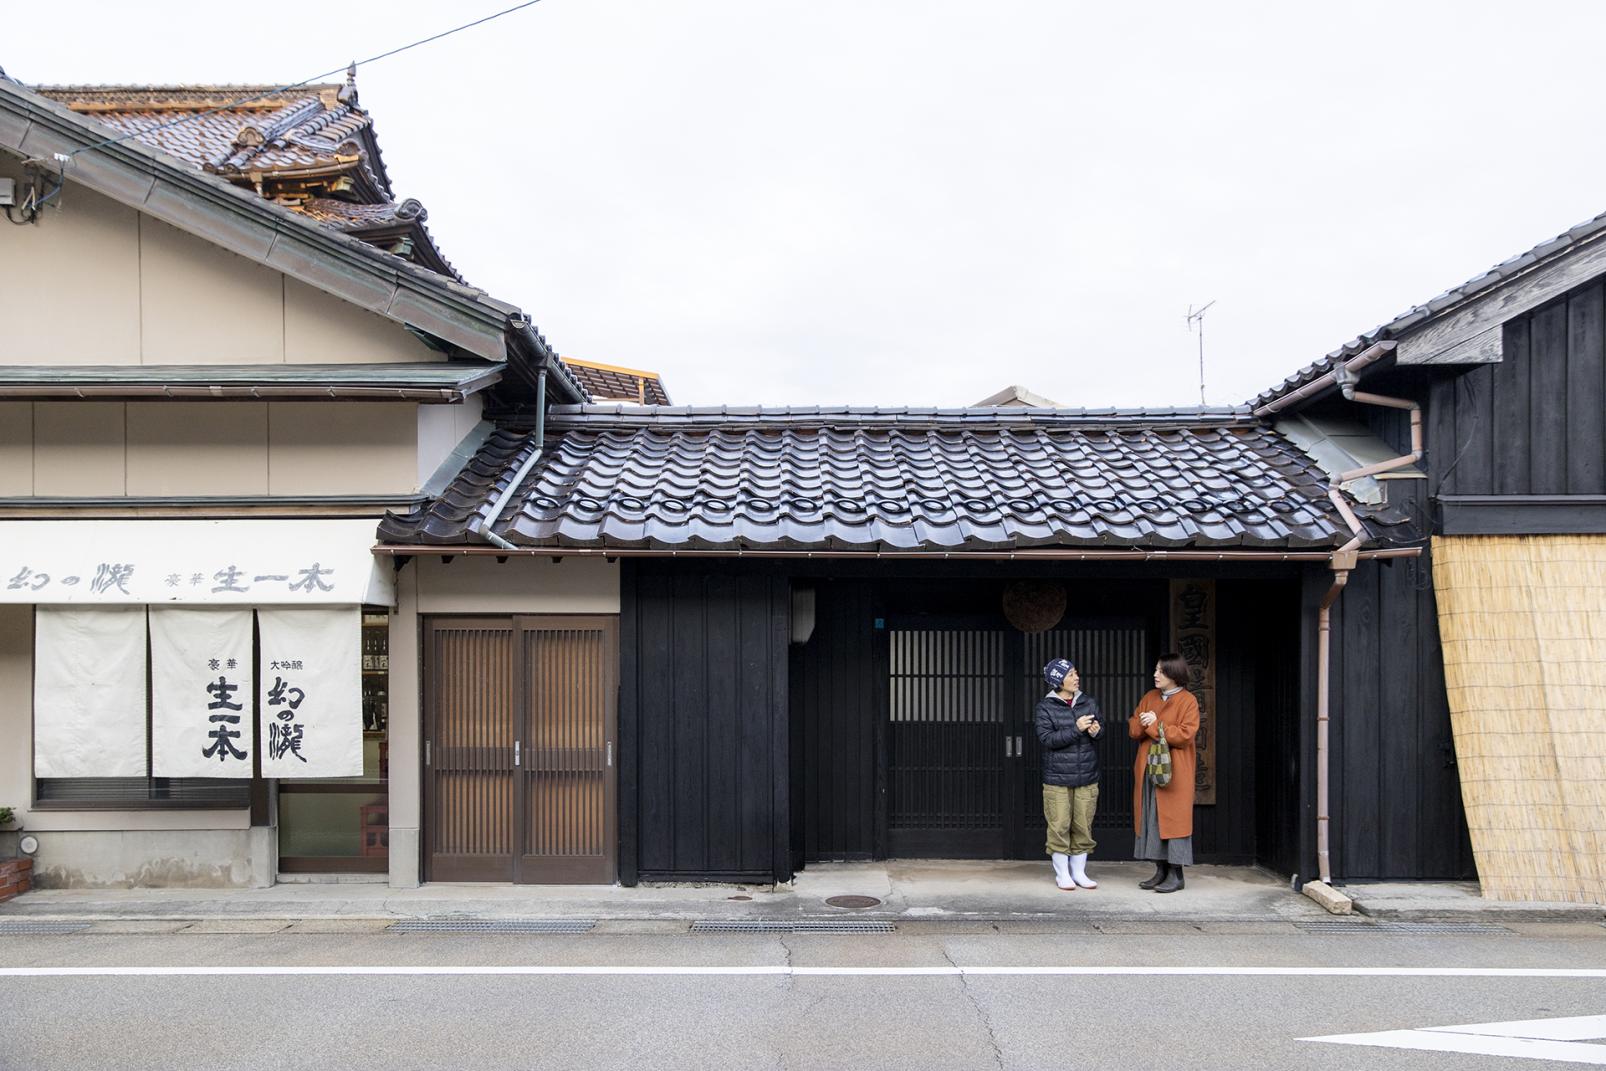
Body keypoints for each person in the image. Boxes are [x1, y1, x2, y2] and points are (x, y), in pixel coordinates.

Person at [1129, 652, 1199, 894]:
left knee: (1174, 820)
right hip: (1149, 768)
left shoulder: (1188, 701)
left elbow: (1184, 735)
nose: (1155, 674)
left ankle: (1176, 874)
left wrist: (1154, 724)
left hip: (1175, 771)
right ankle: (1160, 870)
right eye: (1156, 670)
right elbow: (1133, 728)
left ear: (1173, 674)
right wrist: (1145, 723)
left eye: (1160, 671)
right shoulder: (1150, 697)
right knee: (1152, 818)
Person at [1035, 657, 1103, 890]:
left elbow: (1101, 731)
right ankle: (1062, 874)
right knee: (1059, 824)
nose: (1076, 678)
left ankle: (1080, 873)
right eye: (1071, 674)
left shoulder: (1088, 702)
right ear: (1057, 679)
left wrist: (1096, 731)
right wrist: (1076, 729)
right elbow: (1048, 739)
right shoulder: (1045, 707)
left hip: (1086, 775)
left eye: (1076, 673)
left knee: (1083, 824)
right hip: (1057, 778)